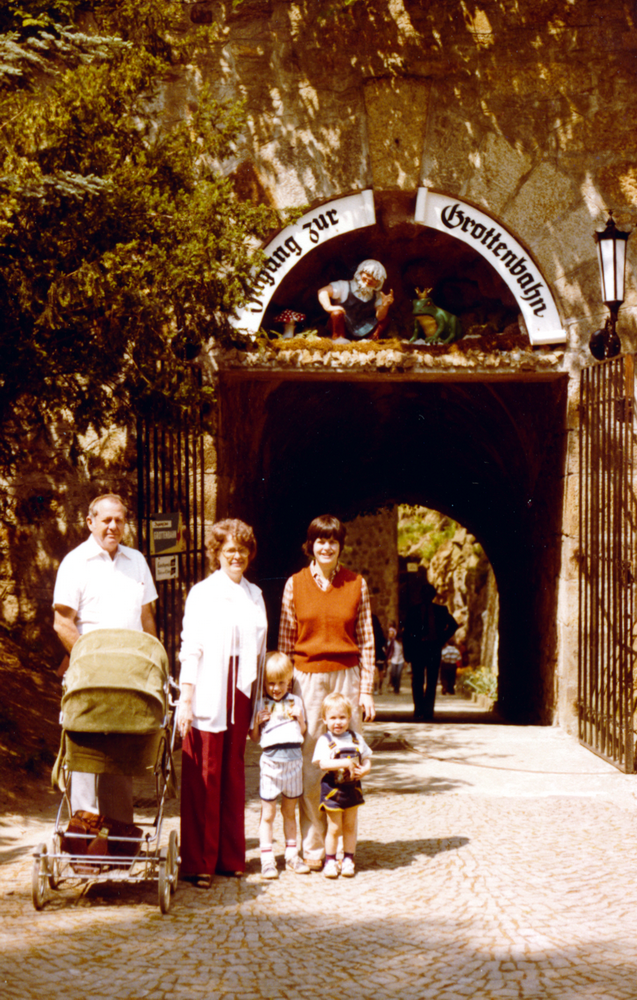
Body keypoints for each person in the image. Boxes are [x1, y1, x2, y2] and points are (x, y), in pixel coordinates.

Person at [53, 492, 158, 824]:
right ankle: (84, 833)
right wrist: (88, 661)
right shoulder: (75, 562)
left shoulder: (136, 561)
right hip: (89, 676)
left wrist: (152, 665)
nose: (113, 526)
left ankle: (118, 832)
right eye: (106, 519)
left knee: (120, 751)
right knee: (85, 750)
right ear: (90, 522)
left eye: (120, 520)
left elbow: (147, 619)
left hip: (128, 678)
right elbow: (62, 622)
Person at [278, 513, 375, 871]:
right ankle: (314, 845)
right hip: (307, 680)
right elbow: (286, 642)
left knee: (348, 760)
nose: (327, 547)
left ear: (340, 545)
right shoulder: (294, 584)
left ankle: (344, 848)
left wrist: (365, 692)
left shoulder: (357, 584)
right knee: (309, 761)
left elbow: (366, 642)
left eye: (333, 541)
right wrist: (287, 695)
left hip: (347, 679)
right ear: (311, 545)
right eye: (320, 540)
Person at [177, 518, 267, 888]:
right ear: (217, 552)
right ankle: (199, 860)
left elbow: (260, 654)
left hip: (241, 686)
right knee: (205, 773)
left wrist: (259, 699)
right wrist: (185, 696)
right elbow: (191, 645)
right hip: (210, 684)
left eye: (243, 550)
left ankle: (230, 857)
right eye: (230, 549)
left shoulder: (255, 594)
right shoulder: (203, 592)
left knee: (232, 771)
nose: (237, 556)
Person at [250, 651, 310, 879]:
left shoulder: (296, 701)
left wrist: (300, 719)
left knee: (289, 812)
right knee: (268, 813)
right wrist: (256, 723)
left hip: (293, 762)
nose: (275, 688)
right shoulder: (261, 704)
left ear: (289, 681)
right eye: (270, 683)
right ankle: (267, 859)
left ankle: (292, 855)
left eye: (281, 683)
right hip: (271, 764)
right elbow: (254, 738)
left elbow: (302, 732)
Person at [312, 692, 372, 878]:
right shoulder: (325, 741)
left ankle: (348, 858)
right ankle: (330, 860)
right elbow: (322, 764)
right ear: (324, 719)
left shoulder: (356, 739)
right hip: (333, 791)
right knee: (334, 827)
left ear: (349, 717)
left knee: (350, 826)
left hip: (352, 789)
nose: (337, 722)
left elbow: (367, 758)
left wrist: (365, 770)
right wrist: (344, 763)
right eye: (333, 718)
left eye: (342, 717)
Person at [402, 581, 458, 721]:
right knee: (417, 680)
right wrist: (407, 651)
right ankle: (419, 709)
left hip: (433, 647)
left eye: (429, 594)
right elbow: (405, 632)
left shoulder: (441, 610)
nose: (426, 596)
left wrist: (441, 639)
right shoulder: (413, 611)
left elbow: (453, 625)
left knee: (432, 680)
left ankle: (428, 710)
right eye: (424, 594)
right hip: (418, 648)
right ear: (421, 595)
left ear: (433, 596)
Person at [318, 259, 394, 341]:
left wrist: (385, 305)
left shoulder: (377, 295)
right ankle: (339, 339)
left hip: (363, 327)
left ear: (378, 282)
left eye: (374, 278)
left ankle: (371, 340)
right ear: (360, 272)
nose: (369, 280)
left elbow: (380, 317)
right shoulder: (344, 286)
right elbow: (323, 291)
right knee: (336, 314)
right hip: (344, 325)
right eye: (367, 274)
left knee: (386, 320)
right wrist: (328, 307)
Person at [386, 621, 406, 694]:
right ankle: (394, 685)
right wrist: (389, 658)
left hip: (401, 660)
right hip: (394, 659)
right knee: (393, 674)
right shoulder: (393, 642)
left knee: (398, 674)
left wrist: (406, 661)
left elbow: (404, 651)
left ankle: (397, 689)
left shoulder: (403, 643)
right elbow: (389, 650)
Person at [372, 613, 387, 694]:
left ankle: (375, 687)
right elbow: (383, 641)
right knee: (380, 670)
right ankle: (380, 687)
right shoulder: (380, 631)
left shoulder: (370, 632)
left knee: (375, 671)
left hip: (373, 653)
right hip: (380, 653)